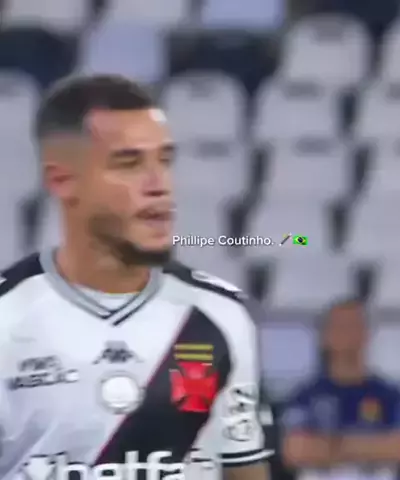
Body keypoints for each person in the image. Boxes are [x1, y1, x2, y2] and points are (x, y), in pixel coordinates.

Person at [0, 74, 273, 479]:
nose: (159, 185)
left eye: (164, 160)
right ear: (62, 180)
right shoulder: (8, 316)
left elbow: (244, 469)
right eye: (128, 163)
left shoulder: (219, 315)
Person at [280, 298, 400, 480]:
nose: (348, 334)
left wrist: (331, 446)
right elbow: (295, 451)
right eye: (340, 327)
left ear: (366, 334)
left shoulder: (391, 395)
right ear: (325, 336)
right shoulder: (305, 396)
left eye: (355, 326)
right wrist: (370, 446)